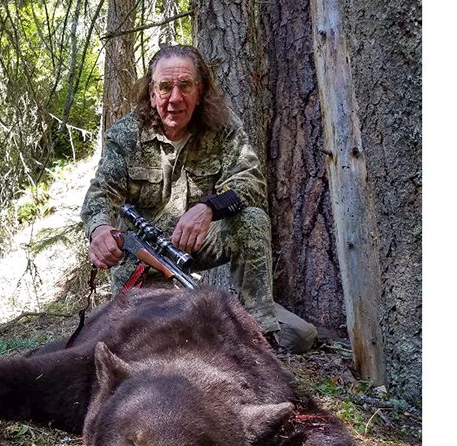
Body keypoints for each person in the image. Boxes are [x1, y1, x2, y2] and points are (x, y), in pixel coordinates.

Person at [81, 44, 316, 352]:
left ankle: (260, 338)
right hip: (141, 267)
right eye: (164, 87)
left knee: (298, 332)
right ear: (152, 94)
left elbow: (251, 182)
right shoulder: (126, 135)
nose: (174, 98)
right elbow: (100, 194)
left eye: (185, 86)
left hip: (194, 252)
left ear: (201, 90)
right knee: (158, 348)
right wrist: (99, 231)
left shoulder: (223, 127)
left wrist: (208, 207)